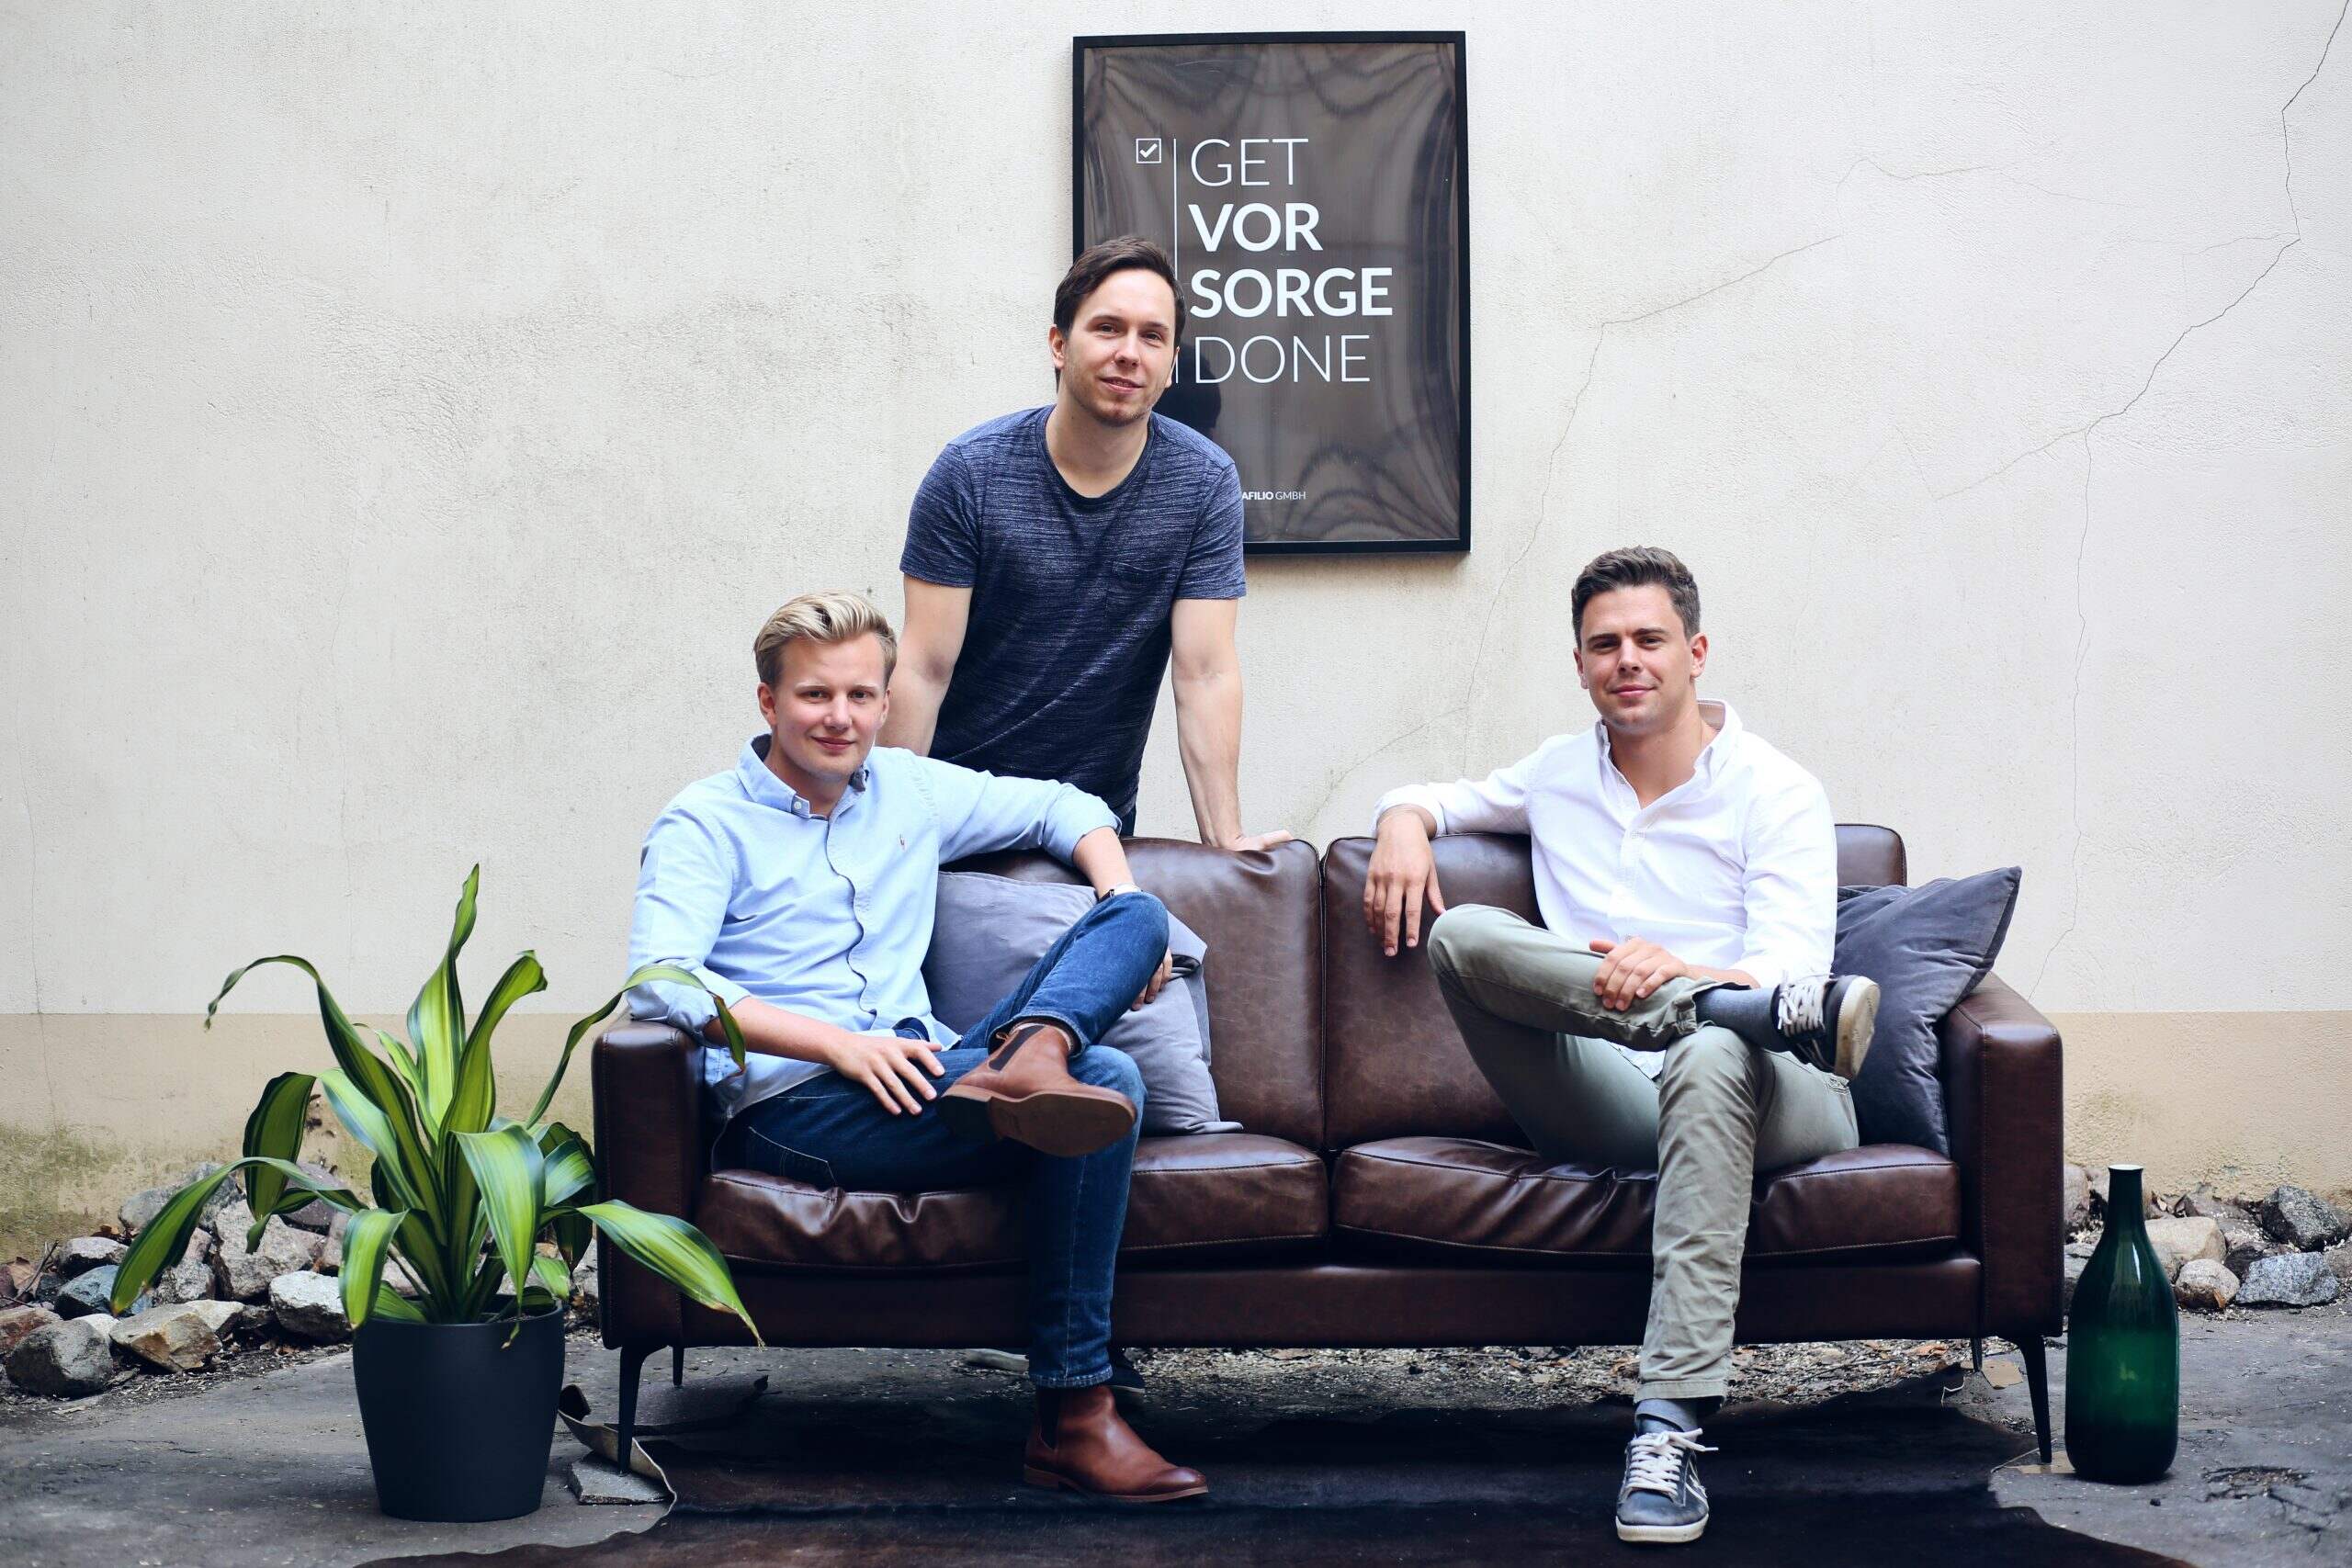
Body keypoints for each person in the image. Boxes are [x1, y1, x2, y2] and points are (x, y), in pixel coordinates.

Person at [628, 591, 1205, 1503]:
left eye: (861, 695)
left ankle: (1031, 1057)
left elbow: (1067, 807)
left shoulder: (909, 789)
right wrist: (838, 1047)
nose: (840, 717)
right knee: (1113, 1074)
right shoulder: (705, 823)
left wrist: (1112, 886)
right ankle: (1074, 1416)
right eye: (816, 695)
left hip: (931, 1074)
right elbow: (664, 980)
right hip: (796, 1105)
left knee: (1134, 915)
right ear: (768, 703)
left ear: (885, 701)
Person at [1361, 547, 1880, 1546]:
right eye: (1605, 644)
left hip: (1780, 1089)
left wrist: (1677, 965)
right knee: (1465, 935)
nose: (1626, 660)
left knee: (1719, 1049)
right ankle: (1688, 1010)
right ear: (1579, 662)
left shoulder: (1776, 792)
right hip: (1612, 1092)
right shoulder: (1557, 776)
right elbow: (1441, 797)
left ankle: (1668, 1426)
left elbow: (1790, 986)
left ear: (1695, 652)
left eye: (1647, 640)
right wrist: (1399, 818)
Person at [883, 235, 1288, 851]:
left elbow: (1204, 673)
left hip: (1091, 830)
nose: (1129, 353)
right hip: (958, 815)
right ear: (1058, 344)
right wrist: (885, 832)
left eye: (1152, 336)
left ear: (1171, 362)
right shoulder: (971, 472)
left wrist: (1224, 841)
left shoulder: (1202, 483)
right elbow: (922, 668)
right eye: (1107, 328)